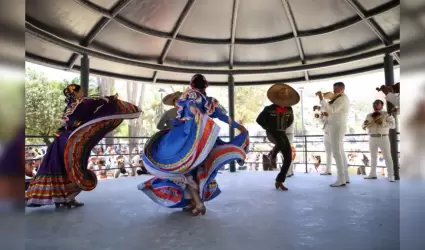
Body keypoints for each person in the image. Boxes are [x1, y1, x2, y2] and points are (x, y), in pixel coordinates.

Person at [138, 74, 249, 216]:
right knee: (193, 173)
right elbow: (221, 115)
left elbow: (189, 105)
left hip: (185, 139)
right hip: (202, 141)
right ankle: (195, 203)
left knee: (184, 173)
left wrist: (191, 111)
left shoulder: (189, 97)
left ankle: (197, 203)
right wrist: (239, 127)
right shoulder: (207, 101)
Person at [25, 84, 141, 208]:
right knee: (73, 167)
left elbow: (72, 119)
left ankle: (63, 199)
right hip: (70, 140)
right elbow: (95, 102)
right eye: (81, 91)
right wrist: (110, 99)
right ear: (76, 93)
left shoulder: (70, 106)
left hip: (60, 140)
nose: (83, 93)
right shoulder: (84, 102)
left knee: (61, 168)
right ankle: (67, 198)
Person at [256, 83, 299, 191]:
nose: (284, 97)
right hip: (271, 133)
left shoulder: (289, 109)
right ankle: (273, 156)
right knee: (281, 142)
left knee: (288, 158)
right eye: (282, 95)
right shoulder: (269, 108)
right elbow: (259, 120)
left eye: (285, 96)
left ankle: (279, 181)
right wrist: (268, 127)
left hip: (282, 133)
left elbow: (290, 121)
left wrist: (283, 127)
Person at [316, 82, 350, 187]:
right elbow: (328, 109)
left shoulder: (342, 99)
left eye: (337, 89)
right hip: (334, 126)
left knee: (336, 152)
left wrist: (322, 99)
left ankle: (341, 179)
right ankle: (345, 177)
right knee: (340, 152)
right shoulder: (337, 99)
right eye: (334, 89)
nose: (334, 91)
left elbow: (331, 110)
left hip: (337, 127)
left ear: (342, 89)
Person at [362, 99, 396, 182]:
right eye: (374, 103)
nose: (376, 105)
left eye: (378, 104)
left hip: (383, 137)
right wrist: (365, 125)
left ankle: (391, 175)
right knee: (373, 157)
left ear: (382, 105)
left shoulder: (387, 114)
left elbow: (393, 125)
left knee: (387, 156)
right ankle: (372, 174)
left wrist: (382, 123)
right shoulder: (369, 115)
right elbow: (363, 126)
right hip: (372, 137)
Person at [313, 92, 335, 175]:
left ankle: (343, 172)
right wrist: (319, 117)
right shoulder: (326, 109)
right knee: (328, 153)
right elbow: (323, 122)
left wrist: (322, 111)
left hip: (333, 133)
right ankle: (328, 170)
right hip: (326, 133)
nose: (327, 99)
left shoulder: (333, 108)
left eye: (327, 98)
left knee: (337, 153)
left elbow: (329, 112)